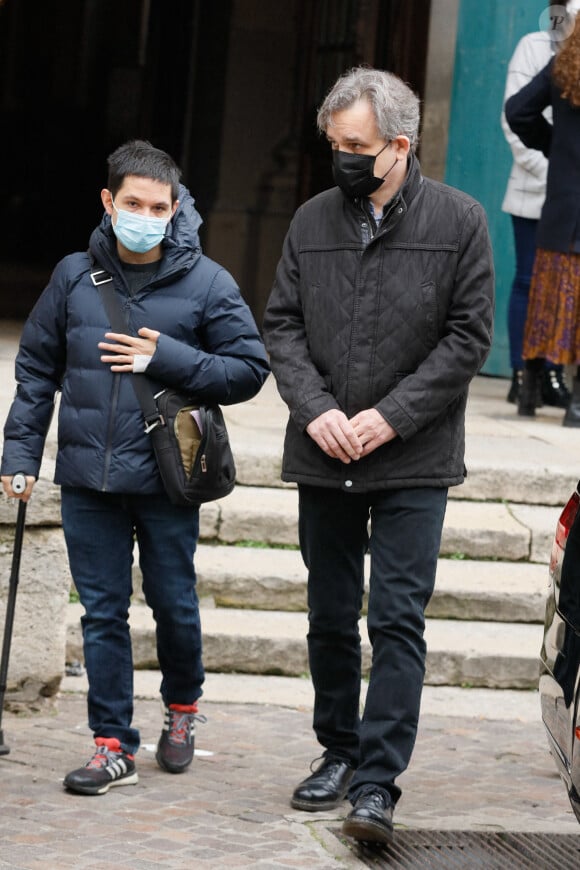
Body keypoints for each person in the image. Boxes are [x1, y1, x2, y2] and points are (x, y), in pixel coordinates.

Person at [262, 67, 494, 843]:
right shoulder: (309, 221)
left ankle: (376, 782)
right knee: (329, 617)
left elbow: (468, 338)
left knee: (396, 621)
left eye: (356, 147)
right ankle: (337, 747)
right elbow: (283, 326)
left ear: (399, 146)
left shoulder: (461, 222)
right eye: (335, 145)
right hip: (324, 453)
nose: (343, 159)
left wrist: (389, 419)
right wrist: (319, 410)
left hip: (413, 461)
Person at [0, 140, 270, 794]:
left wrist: (168, 357)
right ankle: (112, 742)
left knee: (174, 604)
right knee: (102, 612)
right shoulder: (73, 277)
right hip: (89, 478)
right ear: (108, 202)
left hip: (168, 479)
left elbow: (248, 370)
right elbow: (37, 368)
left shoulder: (208, 283)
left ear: (175, 208)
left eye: (158, 206)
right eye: (132, 204)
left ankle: (182, 709)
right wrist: (21, 454)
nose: (144, 215)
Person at [505, 9, 580, 426]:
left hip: (561, 212)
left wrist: (553, 147)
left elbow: (518, 111)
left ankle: (529, 396)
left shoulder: (563, 68)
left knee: (545, 302)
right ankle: (576, 407)